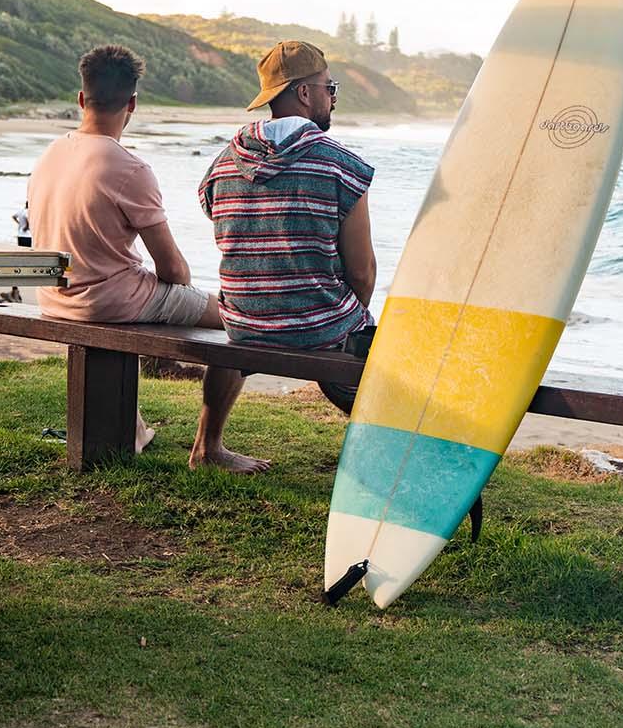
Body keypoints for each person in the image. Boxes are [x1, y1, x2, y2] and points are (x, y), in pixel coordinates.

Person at [28, 45, 221, 455]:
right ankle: (210, 445)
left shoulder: (49, 155)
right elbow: (174, 272)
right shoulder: (129, 169)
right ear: (132, 102)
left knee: (132, 285)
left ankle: (132, 432)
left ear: (81, 99)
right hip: (104, 303)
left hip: (54, 297)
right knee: (232, 314)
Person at [196, 41, 375, 472]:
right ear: (305, 93)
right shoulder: (341, 166)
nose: (333, 97)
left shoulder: (222, 164)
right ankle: (384, 453)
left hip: (241, 322)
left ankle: (207, 447)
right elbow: (363, 273)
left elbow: (229, 230)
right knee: (356, 333)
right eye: (330, 87)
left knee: (239, 328)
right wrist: (327, 311)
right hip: (317, 326)